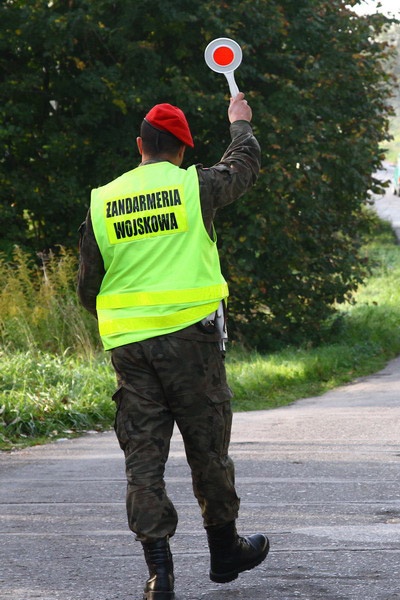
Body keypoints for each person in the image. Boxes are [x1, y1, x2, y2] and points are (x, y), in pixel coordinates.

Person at [77, 94, 268, 599]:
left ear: (139, 145)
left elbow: (86, 288)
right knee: (207, 448)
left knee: (144, 459)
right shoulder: (192, 186)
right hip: (192, 341)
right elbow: (242, 168)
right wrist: (240, 124)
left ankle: (159, 573)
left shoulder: (104, 200)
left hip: (130, 350)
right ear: (182, 150)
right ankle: (225, 551)